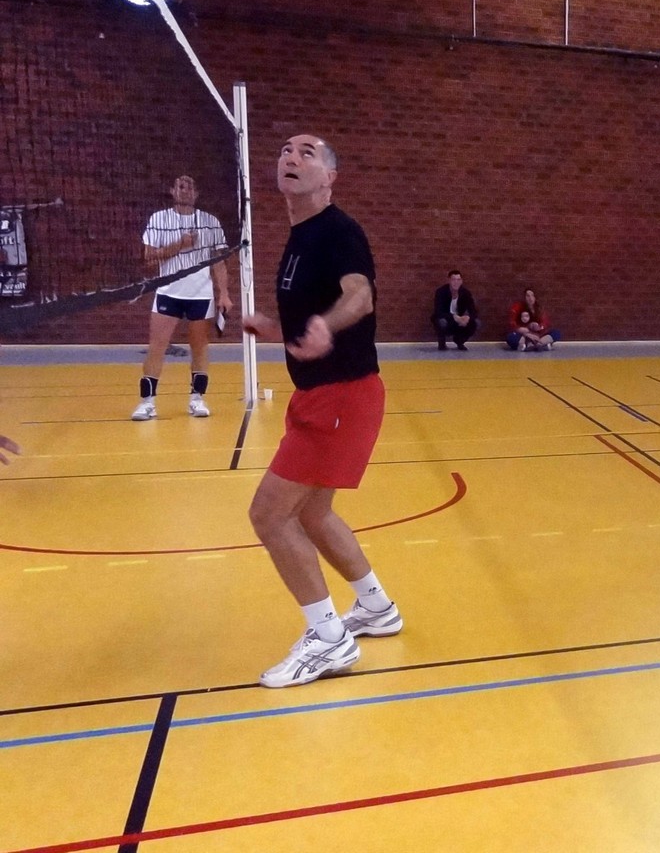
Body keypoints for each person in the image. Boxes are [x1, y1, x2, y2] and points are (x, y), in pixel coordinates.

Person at [241, 134, 401, 688]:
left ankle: (329, 639)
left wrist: (326, 327)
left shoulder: (338, 231)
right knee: (312, 513)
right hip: (320, 394)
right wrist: (275, 328)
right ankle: (376, 607)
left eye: (307, 152)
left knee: (269, 515)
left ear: (330, 176)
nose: (291, 156)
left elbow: (359, 295)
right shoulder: (300, 236)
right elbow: (310, 316)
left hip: (342, 395)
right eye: (285, 150)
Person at [131, 175, 232, 420]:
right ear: (172, 191)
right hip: (168, 291)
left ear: (196, 194)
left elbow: (219, 261)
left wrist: (224, 294)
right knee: (157, 346)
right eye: (181, 186)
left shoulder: (210, 222)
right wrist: (180, 245)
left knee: (199, 347)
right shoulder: (158, 219)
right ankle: (147, 402)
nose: (185, 190)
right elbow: (149, 257)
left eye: (190, 187)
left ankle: (197, 399)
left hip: (201, 294)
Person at [432, 270, 478, 351]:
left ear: (461, 281)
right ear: (449, 280)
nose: (456, 282)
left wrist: (468, 317)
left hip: (460, 318)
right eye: (453, 280)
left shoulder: (465, 293)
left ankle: (459, 341)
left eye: (458, 280)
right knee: (441, 321)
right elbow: (438, 311)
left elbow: (473, 310)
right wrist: (454, 317)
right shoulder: (441, 292)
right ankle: (442, 343)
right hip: (447, 318)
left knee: (476, 322)